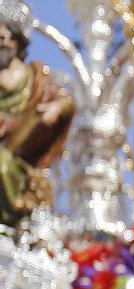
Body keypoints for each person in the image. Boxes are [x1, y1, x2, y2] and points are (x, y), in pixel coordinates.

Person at [0, 16, 73, 226]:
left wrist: (56, 107)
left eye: (4, 38)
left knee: (2, 166)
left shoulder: (35, 74)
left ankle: (12, 220)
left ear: (16, 41)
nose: (1, 45)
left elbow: (63, 99)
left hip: (23, 147)